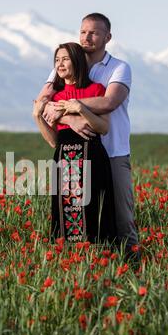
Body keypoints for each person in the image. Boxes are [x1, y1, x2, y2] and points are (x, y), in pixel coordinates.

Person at [37, 13, 139, 259]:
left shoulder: (118, 68)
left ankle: (134, 270)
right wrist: (67, 116)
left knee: (120, 219)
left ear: (108, 37)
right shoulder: (69, 61)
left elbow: (108, 102)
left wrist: (68, 106)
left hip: (112, 151)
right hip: (75, 157)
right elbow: (43, 102)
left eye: (93, 32)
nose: (87, 37)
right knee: (75, 216)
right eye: (83, 32)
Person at [33, 42, 116, 244]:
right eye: (57, 60)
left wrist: (80, 109)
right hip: (65, 160)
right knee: (65, 211)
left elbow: (103, 128)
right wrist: (38, 118)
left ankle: (101, 258)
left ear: (77, 61)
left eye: (65, 59)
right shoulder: (54, 97)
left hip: (93, 158)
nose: (59, 64)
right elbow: (54, 142)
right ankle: (68, 260)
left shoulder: (96, 89)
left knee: (94, 210)